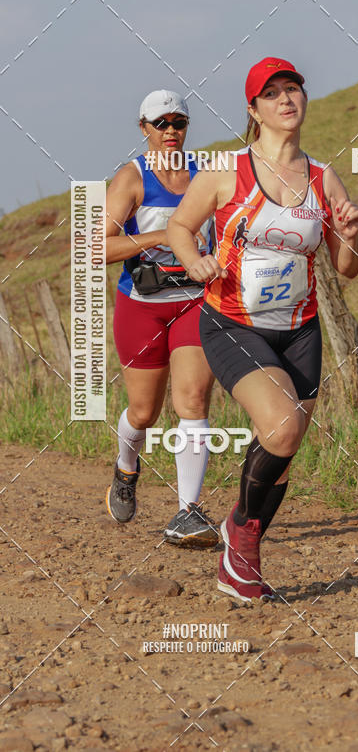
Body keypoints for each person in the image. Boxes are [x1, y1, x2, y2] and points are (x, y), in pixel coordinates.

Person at [167, 58, 358, 600]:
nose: (286, 99)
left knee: (286, 441)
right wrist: (194, 261)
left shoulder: (323, 179)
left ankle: (240, 552)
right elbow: (180, 227)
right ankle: (242, 533)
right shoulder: (225, 173)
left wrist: (349, 233)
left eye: (293, 89)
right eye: (271, 93)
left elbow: (346, 268)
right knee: (281, 427)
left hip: (300, 329)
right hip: (232, 323)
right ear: (253, 110)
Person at [104, 89, 218, 548]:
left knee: (192, 400)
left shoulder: (206, 174)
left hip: (195, 301)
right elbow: (99, 247)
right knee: (144, 412)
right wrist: (162, 233)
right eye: (161, 123)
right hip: (142, 307)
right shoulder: (131, 178)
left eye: (179, 122)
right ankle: (126, 467)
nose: (171, 131)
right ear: (144, 128)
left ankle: (188, 511)